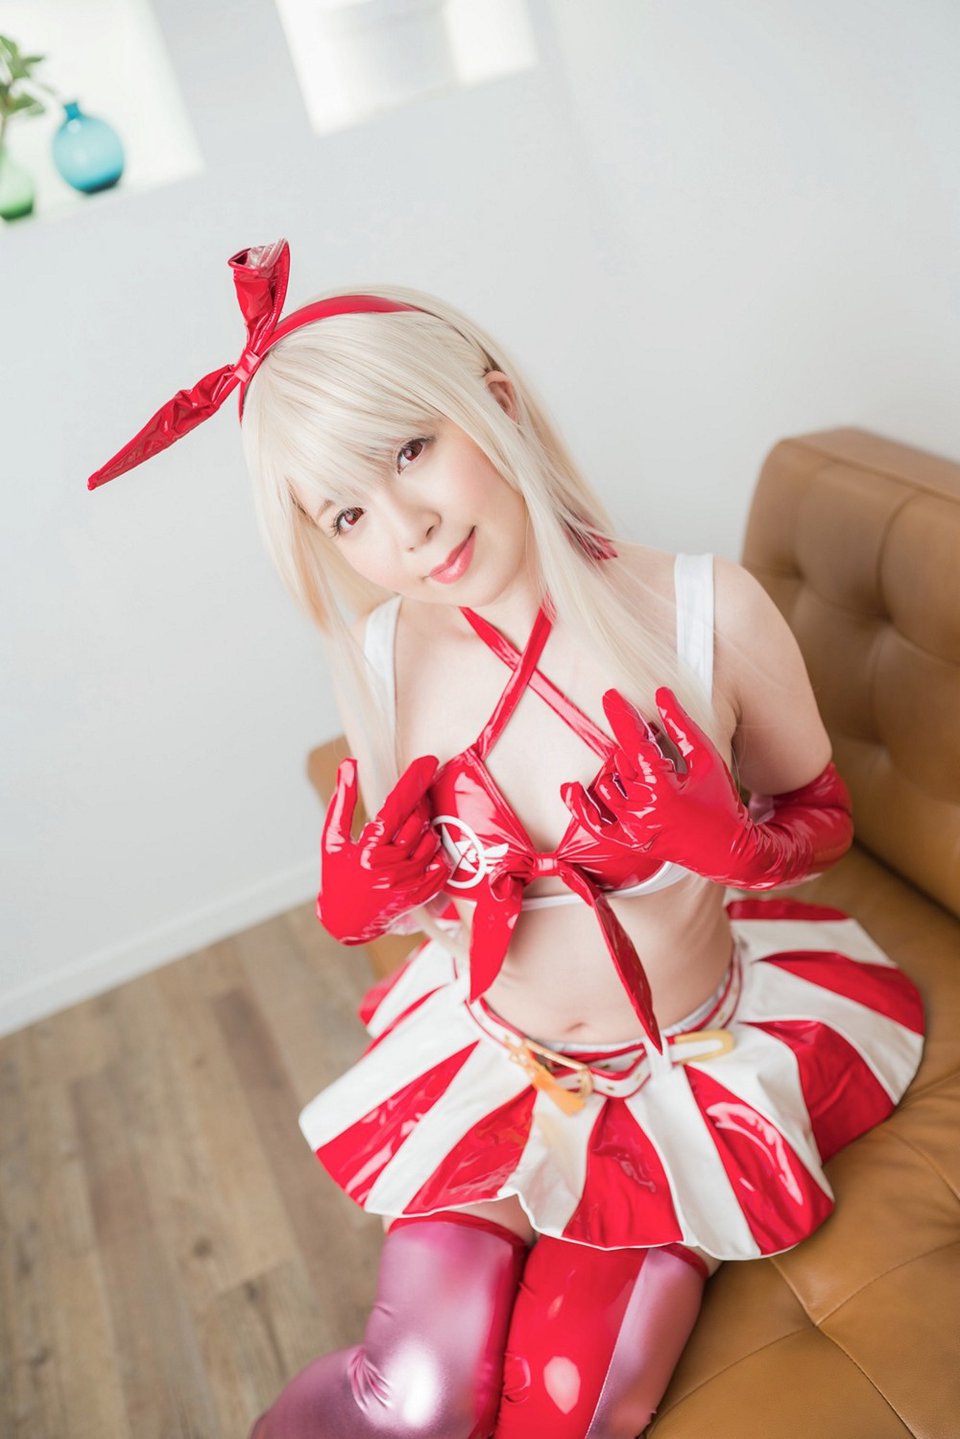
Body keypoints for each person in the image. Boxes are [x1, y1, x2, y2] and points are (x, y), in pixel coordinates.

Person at [88, 240, 925, 1439]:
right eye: (348, 512)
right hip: (498, 1056)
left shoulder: (710, 611)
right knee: (415, 1396)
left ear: (493, 398)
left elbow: (821, 815)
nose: (410, 527)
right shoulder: (384, 654)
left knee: (568, 1404)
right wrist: (361, 902)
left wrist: (736, 843)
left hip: (678, 1071)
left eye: (410, 449)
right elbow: (416, 890)